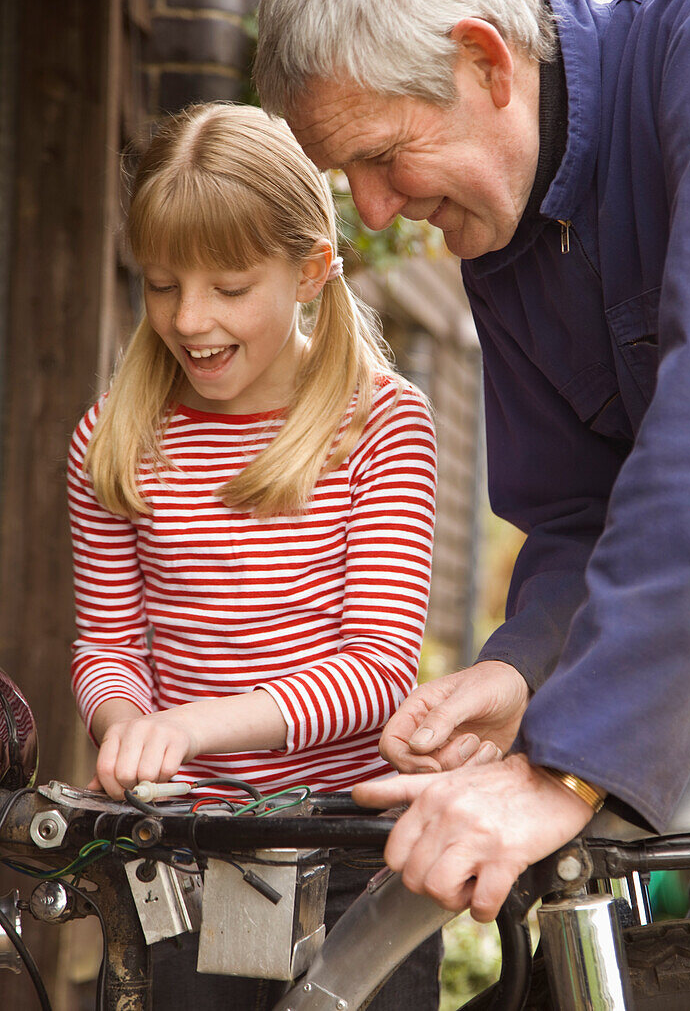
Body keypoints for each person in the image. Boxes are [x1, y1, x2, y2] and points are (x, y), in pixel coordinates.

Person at [254, 0, 690, 924]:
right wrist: (519, 668)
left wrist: (569, 765)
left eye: (381, 156)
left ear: (485, 61)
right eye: (344, 176)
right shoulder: (503, 231)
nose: (369, 212)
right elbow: (580, 515)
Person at [67, 103, 440, 1006]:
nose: (189, 319)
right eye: (162, 284)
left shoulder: (380, 424)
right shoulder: (115, 439)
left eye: (229, 288)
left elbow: (377, 672)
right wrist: (126, 732)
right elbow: (109, 649)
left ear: (311, 270)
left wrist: (190, 726)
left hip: (358, 857)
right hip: (189, 860)